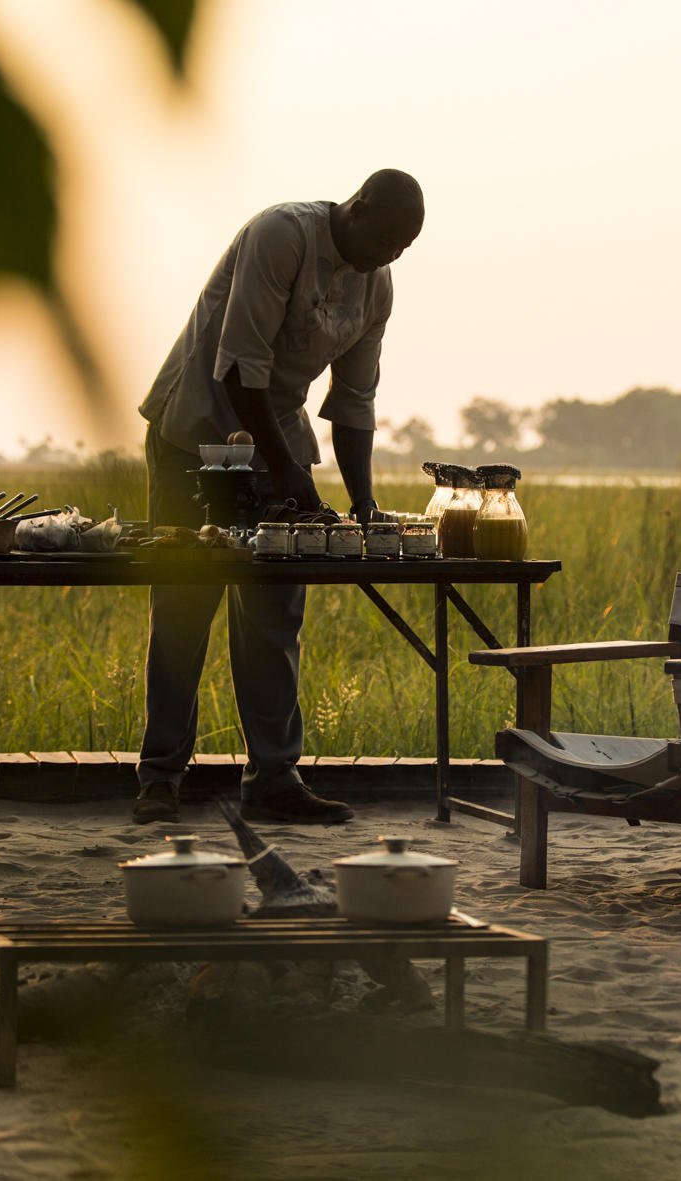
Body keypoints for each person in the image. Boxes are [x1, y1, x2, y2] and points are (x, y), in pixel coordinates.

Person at [132, 169, 425, 825]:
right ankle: (160, 779)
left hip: (277, 434)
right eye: (385, 237)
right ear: (357, 206)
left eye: (404, 247)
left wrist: (364, 504)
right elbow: (240, 366)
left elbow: (353, 403)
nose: (390, 254)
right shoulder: (281, 234)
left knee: (273, 610)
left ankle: (273, 778)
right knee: (184, 602)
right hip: (198, 426)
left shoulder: (376, 288)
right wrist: (288, 471)